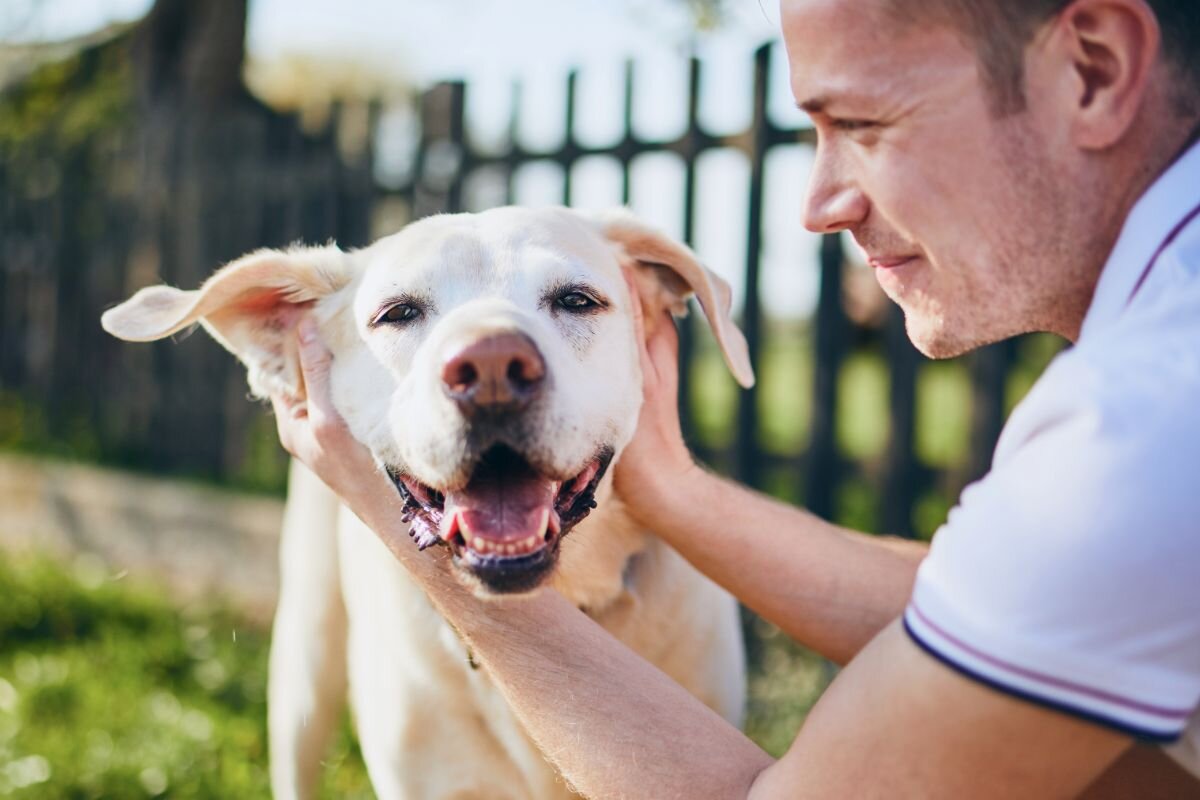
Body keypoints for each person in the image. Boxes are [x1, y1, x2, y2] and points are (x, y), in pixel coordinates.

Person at [270, 0, 1200, 795]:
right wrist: (671, 489)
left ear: (1093, 70)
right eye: (814, 136)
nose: (819, 204)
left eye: (865, 126)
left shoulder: (1149, 420)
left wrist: (427, 550)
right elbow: (1015, 614)